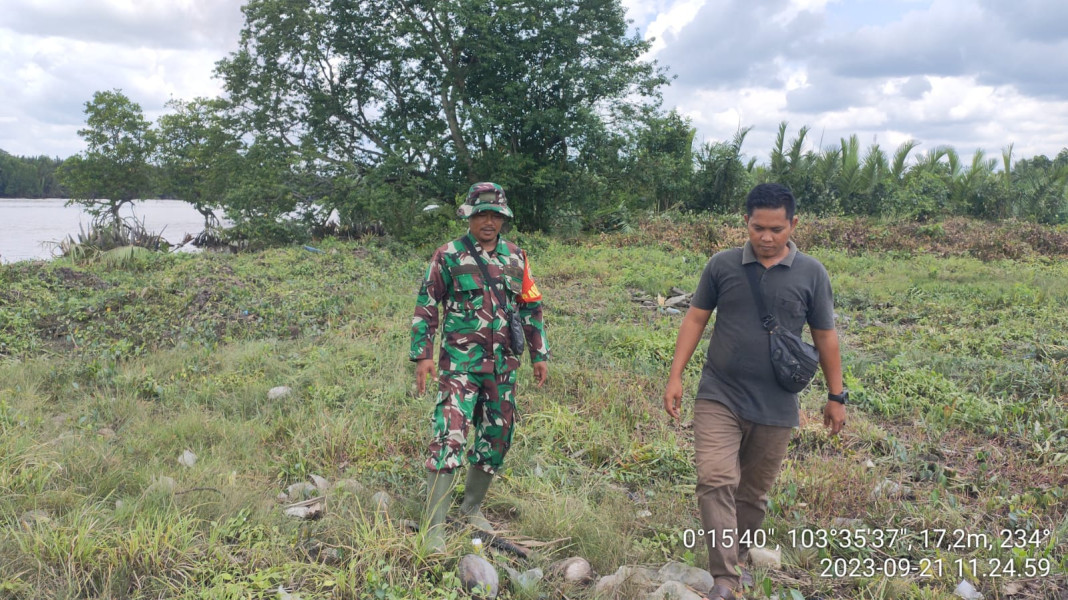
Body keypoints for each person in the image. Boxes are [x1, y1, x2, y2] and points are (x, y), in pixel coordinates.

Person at [663, 183, 846, 598]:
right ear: (745, 222)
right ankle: (725, 578)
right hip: (719, 393)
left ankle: (739, 556)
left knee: (752, 494)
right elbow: (695, 319)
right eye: (758, 228)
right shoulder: (722, 265)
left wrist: (836, 396)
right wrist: (676, 376)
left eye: (776, 229)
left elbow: (825, 336)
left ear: (793, 225)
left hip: (777, 403)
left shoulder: (812, 273)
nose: (766, 237)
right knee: (715, 478)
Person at [411, 182, 549, 554]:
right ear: (469, 216)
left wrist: (540, 353)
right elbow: (427, 304)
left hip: (503, 366)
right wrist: (423, 354)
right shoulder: (448, 256)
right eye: (481, 214)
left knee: (497, 438)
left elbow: (530, 307)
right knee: (449, 435)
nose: (488, 221)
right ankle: (434, 525)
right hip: (459, 364)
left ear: (503, 218)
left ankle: (471, 508)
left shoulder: (517, 258)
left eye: (495, 215)